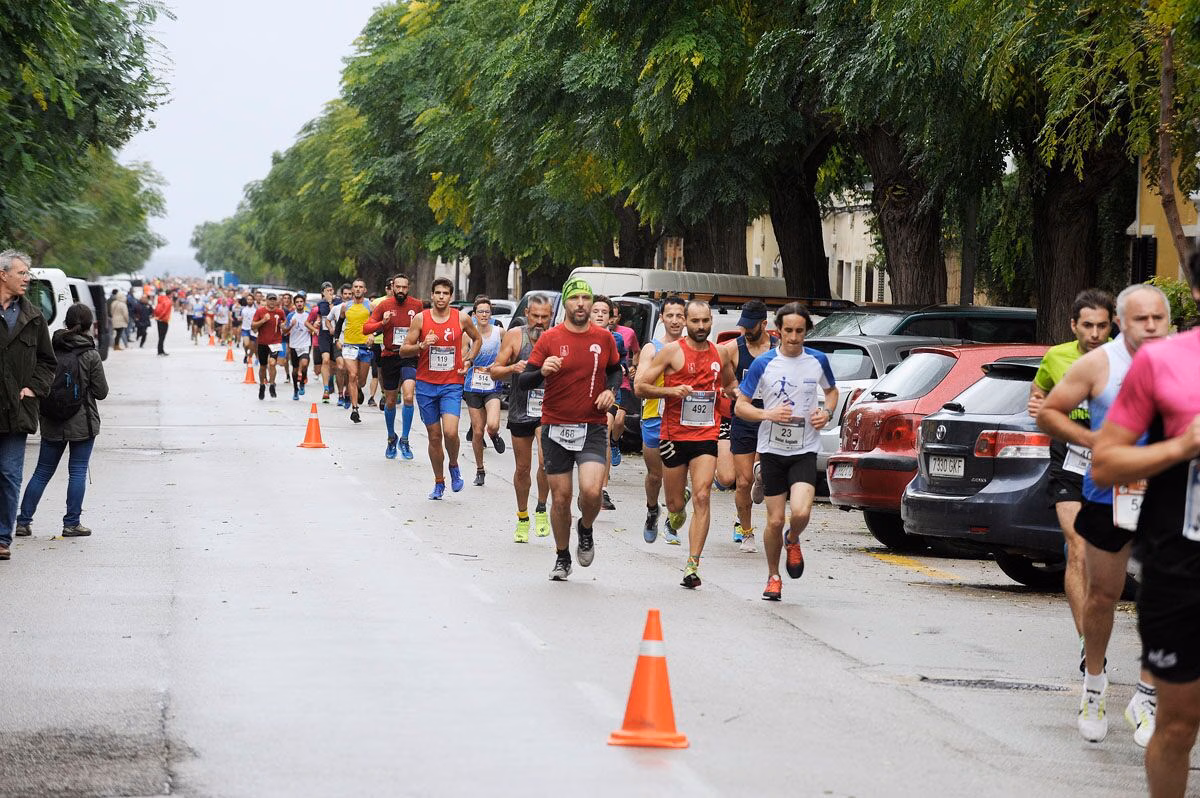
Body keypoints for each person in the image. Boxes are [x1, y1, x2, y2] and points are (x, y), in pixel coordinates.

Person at [1039, 284, 1169, 746]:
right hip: (1107, 494)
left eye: (1158, 318)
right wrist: (1096, 440)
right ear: (1123, 322)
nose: (1151, 327)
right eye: (1141, 319)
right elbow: (1048, 412)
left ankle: (1146, 696)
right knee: (1103, 596)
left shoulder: (1181, 362)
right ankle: (1094, 683)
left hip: (1166, 497)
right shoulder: (1099, 364)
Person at [1092, 247, 1200, 797]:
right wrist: (1183, 445)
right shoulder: (1165, 362)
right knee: (1178, 723)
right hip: (1182, 563)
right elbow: (1107, 460)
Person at [1028, 289, 1115, 669]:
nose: (1095, 333)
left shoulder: (1125, 359)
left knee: (1105, 555)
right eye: (1088, 326)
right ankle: (1087, 643)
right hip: (1070, 457)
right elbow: (1039, 392)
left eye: (1102, 325)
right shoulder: (1056, 357)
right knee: (1076, 547)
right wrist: (1037, 403)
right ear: (1073, 326)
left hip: (1114, 459)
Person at [516, 278, 621, 580]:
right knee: (560, 498)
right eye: (574, 299)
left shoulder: (604, 338)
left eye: (585, 299)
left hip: (592, 426)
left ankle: (585, 528)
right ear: (566, 303)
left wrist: (611, 391)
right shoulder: (550, 338)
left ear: (592, 303)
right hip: (555, 427)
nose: (580, 304)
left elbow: (614, 369)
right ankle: (562, 556)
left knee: (591, 491)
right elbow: (524, 382)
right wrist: (542, 371)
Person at [734, 302, 837, 602]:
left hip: (804, 449)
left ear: (807, 331)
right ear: (778, 331)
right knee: (775, 520)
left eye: (799, 331)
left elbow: (831, 392)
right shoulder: (763, 364)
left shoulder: (817, 360)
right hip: (772, 450)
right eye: (788, 331)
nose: (793, 337)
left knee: (802, 512)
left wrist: (826, 413)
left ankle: (793, 539)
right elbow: (740, 406)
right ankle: (773, 576)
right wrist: (767, 415)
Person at [635, 300, 737, 588]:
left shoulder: (721, 354)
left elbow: (730, 385)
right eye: (695, 322)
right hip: (673, 436)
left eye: (706, 321)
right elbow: (641, 386)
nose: (701, 327)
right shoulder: (671, 352)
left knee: (704, 496)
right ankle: (674, 513)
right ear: (687, 323)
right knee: (675, 503)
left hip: (706, 436)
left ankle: (692, 565)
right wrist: (670, 391)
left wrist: (735, 396)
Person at [14, 303, 108, 540]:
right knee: (77, 471)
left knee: (42, 472)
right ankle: (71, 523)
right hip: (82, 422)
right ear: (88, 326)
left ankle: (23, 522)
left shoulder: (50, 350)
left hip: (51, 419)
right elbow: (101, 392)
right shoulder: (90, 354)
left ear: (66, 323)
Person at [399, 277, 482, 498]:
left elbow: (478, 339)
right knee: (434, 437)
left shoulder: (461, 318)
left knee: (451, 432)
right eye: (438, 293)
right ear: (432, 295)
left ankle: (453, 465)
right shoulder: (420, 319)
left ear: (451, 296)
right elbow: (403, 350)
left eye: (445, 293)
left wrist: (469, 360)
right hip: (426, 385)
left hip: (451, 384)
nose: (441, 297)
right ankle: (439, 482)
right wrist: (421, 345)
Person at [0, 250, 56, 561]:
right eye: (22, 273)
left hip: (17, 411)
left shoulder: (33, 317)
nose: (27, 278)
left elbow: (48, 361)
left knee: (9, 473)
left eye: (28, 274)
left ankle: (2, 538)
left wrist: (34, 387)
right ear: (3, 274)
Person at [491, 294, 553, 542]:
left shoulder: (557, 338)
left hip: (548, 411)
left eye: (544, 317)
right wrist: (512, 368)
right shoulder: (515, 336)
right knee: (523, 468)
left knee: (546, 462)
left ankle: (541, 508)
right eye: (535, 316)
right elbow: (495, 371)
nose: (539, 322)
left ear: (551, 316)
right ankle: (522, 516)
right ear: (527, 314)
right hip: (520, 409)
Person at [721, 300, 778, 553]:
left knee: (765, 473)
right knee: (742, 482)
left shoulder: (778, 350)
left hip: (771, 417)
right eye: (742, 326)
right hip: (744, 417)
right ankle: (746, 531)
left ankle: (762, 480)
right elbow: (727, 384)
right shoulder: (733, 349)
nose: (745, 331)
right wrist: (738, 394)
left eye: (750, 326)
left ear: (764, 324)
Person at [362, 274, 425, 459]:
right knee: (390, 401)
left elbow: (424, 327)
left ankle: (404, 439)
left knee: (407, 396)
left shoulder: (417, 305)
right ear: (392, 287)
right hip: (389, 355)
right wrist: (383, 323)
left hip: (409, 355)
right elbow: (366, 328)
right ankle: (391, 438)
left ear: (408, 288)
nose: (401, 290)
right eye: (398, 287)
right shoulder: (384, 306)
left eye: (404, 287)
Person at [639, 297, 686, 543]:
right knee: (655, 476)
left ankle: (671, 519)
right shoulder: (652, 348)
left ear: (685, 319)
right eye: (671, 315)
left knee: (675, 475)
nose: (676, 320)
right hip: (654, 418)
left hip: (684, 422)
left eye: (680, 315)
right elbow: (640, 385)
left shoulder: (695, 348)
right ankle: (652, 510)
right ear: (662, 318)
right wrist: (669, 391)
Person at [463, 296, 507, 486]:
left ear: (491, 314)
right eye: (480, 311)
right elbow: (462, 356)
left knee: (493, 424)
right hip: (473, 385)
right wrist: (466, 362)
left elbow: (510, 351)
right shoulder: (467, 335)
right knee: (477, 431)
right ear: (474, 315)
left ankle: (494, 434)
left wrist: (503, 366)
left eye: (487, 311)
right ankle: (480, 470)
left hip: (492, 384)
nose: (483, 315)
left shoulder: (500, 332)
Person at [590, 296, 626, 511]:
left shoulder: (616, 339)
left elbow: (619, 367)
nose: (601, 315)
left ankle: (602, 489)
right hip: (584, 397)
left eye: (605, 311)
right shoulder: (580, 337)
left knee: (604, 435)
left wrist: (616, 380)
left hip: (609, 396)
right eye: (596, 311)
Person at [332, 279, 373, 423]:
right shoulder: (345, 306)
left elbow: (378, 324)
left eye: (360, 287)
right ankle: (355, 409)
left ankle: (359, 389)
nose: (357, 289)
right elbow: (339, 324)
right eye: (355, 287)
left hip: (365, 346)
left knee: (361, 381)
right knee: (353, 375)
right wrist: (336, 339)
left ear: (365, 290)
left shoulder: (370, 305)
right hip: (349, 345)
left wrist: (373, 335)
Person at [251, 293, 286, 400]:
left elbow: (284, 322)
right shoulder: (260, 311)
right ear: (266, 300)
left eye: (273, 299)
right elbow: (253, 326)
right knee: (263, 366)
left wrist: (284, 325)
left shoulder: (280, 312)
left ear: (276, 301)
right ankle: (262, 385)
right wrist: (263, 320)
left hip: (275, 342)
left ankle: (272, 384)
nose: (272, 301)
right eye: (270, 299)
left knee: (272, 363)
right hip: (262, 342)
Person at [284, 294, 312, 401]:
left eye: (301, 301)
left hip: (305, 344)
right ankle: (296, 389)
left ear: (304, 303)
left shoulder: (308, 315)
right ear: (294, 304)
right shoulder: (291, 316)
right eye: (297, 302)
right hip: (294, 345)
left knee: (304, 364)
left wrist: (312, 329)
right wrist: (291, 325)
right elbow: (285, 332)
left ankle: (303, 381)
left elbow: (313, 327)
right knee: (295, 370)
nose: (299, 303)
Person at [153, 290, 173, 355]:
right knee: (162, 336)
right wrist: (160, 317)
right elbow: (165, 311)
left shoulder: (161, 299)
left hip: (159, 320)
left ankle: (160, 350)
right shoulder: (168, 301)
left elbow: (156, 308)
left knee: (160, 336)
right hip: (163, 320)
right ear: (170, 294)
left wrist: (157, 317)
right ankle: (160, 351)